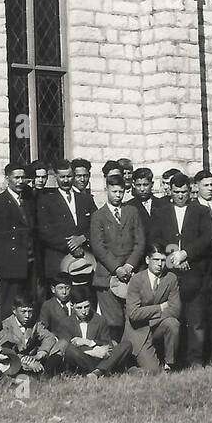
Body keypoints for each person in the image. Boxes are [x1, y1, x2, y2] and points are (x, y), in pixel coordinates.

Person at [148, 173, 212, 367]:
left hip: (195, 273)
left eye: (184, 192)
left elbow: (207, 238)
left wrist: (186, 253)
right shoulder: (161, 212)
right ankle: (172, 361)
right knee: (172, 318)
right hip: (170, 274)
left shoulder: (201, 211)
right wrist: (172, 257)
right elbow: (155, 238)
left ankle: (195, 361)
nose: (180, 196)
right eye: (176, 192)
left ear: (190, 191)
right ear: (170, 191)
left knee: (196, 320)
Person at [88, 172, 147, 344]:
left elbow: (140, 242)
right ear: (106, 190)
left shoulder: (132, 212)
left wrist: (129, 266)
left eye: (121, 192)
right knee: (113, 320)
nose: (118, 195)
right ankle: (115, 357)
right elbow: (98, 247)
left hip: (132, 273)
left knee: (133, 316)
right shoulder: (98, 216)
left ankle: (134, 355)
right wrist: (117, 268)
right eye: (114, 191)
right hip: (107, 276)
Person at [0, 163, 38, 323]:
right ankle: (6, 342)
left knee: (28, 306)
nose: (20, 181)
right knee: (8, 306)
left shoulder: (30, 201)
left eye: (23, 177)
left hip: (29, 263)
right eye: (16, 177)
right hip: (8, 265)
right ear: (7, 178)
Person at [123, 242, 182, 373]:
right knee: (153, 371)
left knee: (173, 323)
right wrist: (160, 307)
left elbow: (176, 310)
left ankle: (169, 365)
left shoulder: (171, 278)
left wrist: (150, 317)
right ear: (147, 260)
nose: (160, 264)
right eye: (156, 260)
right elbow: (133, 314)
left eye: (163, 260)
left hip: (157, 326)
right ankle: (130, 368)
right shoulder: (137, 280)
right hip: (138, 330)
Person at [36, 159, 97, 283]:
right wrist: (71, 246)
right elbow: (44, 231)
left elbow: (97, 224)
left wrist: (83, 238)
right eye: (62, 177)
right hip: (58, 258)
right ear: (55, 177)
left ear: (73, 176)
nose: (65, 180)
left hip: (85, 259)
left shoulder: (86, 199)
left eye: (69, 176)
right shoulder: (46, 201)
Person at [45, 287, 122, 376]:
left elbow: (107, 343)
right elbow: (67, 347)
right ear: (72, 306)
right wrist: (92, 351)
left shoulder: (100, 320)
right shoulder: (66, 322)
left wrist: (89, 342)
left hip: (100, 358)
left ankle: (97, 372)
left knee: (126, 345)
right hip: (80, 359)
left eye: (86, 307)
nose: (84, 311)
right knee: (70, 350)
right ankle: (100, 371)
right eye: (79, 308)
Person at [0, 295, 59, 377]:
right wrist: (28, 361)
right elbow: (6, 350)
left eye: (30, 311)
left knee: (61, 344)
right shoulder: (6, 326)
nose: (27, 316)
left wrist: (40, 353)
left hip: (34, 356)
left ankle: (47, 372)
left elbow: (49, 337)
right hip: (15, 360)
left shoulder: (34, 323)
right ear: (14, 311)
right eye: (23, 312)